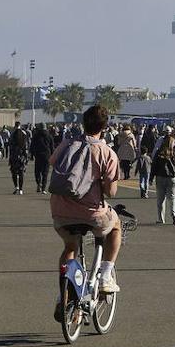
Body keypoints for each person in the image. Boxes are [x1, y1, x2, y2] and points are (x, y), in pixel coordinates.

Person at [49, 105, 123, 306]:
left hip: (60, 211)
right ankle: (106, 274)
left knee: (70, 246)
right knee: (116, 226)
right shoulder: (107, 152)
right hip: (92, 213)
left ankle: (63, 296)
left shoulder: (66, 144)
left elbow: (53, 162)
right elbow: (111, 192)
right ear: (105, 127)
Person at [152, 132, 175, 224]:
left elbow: (154, 165)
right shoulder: (174, 153)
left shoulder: (159, 152)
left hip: (160, 176)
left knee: (161, 199)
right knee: (173, 198)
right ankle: (174, 215)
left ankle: (161, 219)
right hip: (173, 177)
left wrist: (151, 177)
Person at [31, 124, 54, 194]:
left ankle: (38, 184)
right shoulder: (49, 136)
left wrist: (32, 154)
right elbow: (52, 147)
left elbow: (32, 146)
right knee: (45, 173)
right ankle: (43, 189)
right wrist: (53, 156)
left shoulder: (36, 135)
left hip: (38, 155)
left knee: (37, 171)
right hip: (47, 155)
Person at [8, 126, 29, 194]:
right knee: (21, 173)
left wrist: (10, 159)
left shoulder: (12, 141)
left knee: (14, 173)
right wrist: (26, 159)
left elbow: (10, 150)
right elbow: (25, 151)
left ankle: (16, 186)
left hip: (14, 158)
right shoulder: (23, 141)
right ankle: (21, 189)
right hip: (21, 159)